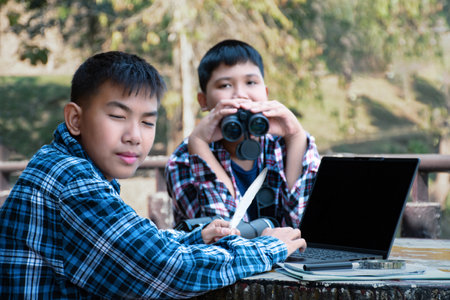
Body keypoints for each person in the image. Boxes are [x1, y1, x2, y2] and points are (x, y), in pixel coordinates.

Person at [0, 51, 306, 299]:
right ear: (75, 119)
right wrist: (270, 247)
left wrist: (195, 238)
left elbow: (139, 244)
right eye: (118, 116)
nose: (134, 136)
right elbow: (168, 270)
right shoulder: (71, 179)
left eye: (147, 122)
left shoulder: (64, 165)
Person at [166, 39, 321, 228]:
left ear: (265, 93)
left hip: (288, 257)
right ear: (203, 100)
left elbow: (303, 224)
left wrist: (295, 136)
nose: (240, 94)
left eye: (250, 82)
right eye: (225, 85)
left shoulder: (281, 144)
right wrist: (198, 142)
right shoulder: (184, 159)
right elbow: (224, 234)